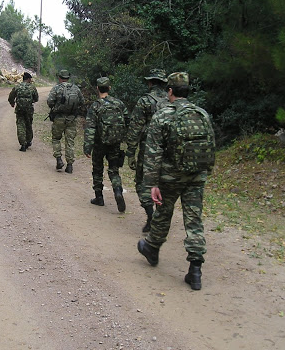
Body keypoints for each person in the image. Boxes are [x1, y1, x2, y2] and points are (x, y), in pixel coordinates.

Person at [137, 72, 216, 290]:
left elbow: (153, 153)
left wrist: (152, 183)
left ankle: (152, 248)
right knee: (194, 218)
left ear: (170, 91)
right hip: (197, 175)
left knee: (163, 211)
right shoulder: (202, 114)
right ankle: (195, 269)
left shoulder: (163, 116)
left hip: (171, 176)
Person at [125, 69, 169, 232]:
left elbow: (135, 128)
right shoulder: (172, 100)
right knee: (164, 183)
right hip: (169, 151)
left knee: (142, 183)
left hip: (148, 150)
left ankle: (151, 216)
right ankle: (161, 217)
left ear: (150, 82)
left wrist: (130, 153)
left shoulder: (145, 101)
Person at [83, 76, 129, 212]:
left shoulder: (96, 106)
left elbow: (90, 127)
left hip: (99, 143)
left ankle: (99, 197)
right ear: (109, 88)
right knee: (114, 170)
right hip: (115, 143)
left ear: (97, 88)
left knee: (97, 169)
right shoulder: (119, 104)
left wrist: (88, 146)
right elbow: (127, 120)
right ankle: (118, 192)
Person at [47, 69, 84, 173]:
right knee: (70, 142)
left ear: (59, 78)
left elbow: (50, 102)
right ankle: (70, 165)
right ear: (68, 77)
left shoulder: (56, 88)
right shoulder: (76, 89)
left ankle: (59, 159)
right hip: (72, 119)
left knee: (56, 139)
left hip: (59, 118)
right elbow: (82, 102)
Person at [8, 72, 38, 151]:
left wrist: (12, 103)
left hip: (19, 109)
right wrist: (31, 101)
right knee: (28, 125)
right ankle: (28, 141)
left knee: (20, 125)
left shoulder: (17, 87)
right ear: (28, 79)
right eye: (30, 79)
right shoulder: (32, 87)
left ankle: (23, 144)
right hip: (29, 110)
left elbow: (11, 97)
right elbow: (36, 98)